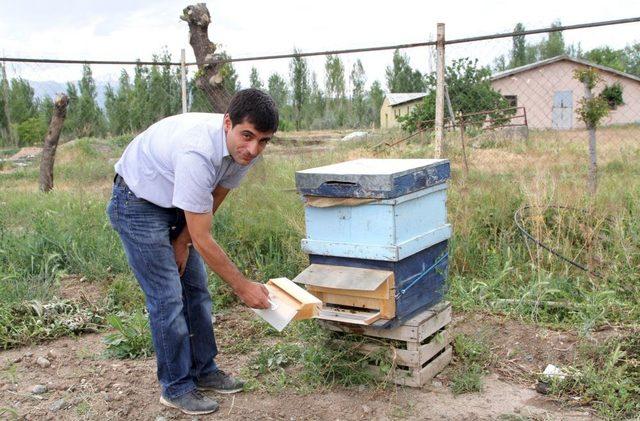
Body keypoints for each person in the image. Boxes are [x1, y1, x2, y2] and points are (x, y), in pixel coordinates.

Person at [106, 88, 277, 415]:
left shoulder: (243, 151)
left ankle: (204, 370)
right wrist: (243, 288)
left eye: (263, 141)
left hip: (174, 202)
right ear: (228, 123)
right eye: (247, 136)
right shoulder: (197, 151)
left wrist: (181, 240)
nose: (253, 149)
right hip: (137, 203)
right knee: (168, 296)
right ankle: (176, 387)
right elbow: (203, 236)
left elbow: (213, 199)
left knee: (196, 290)